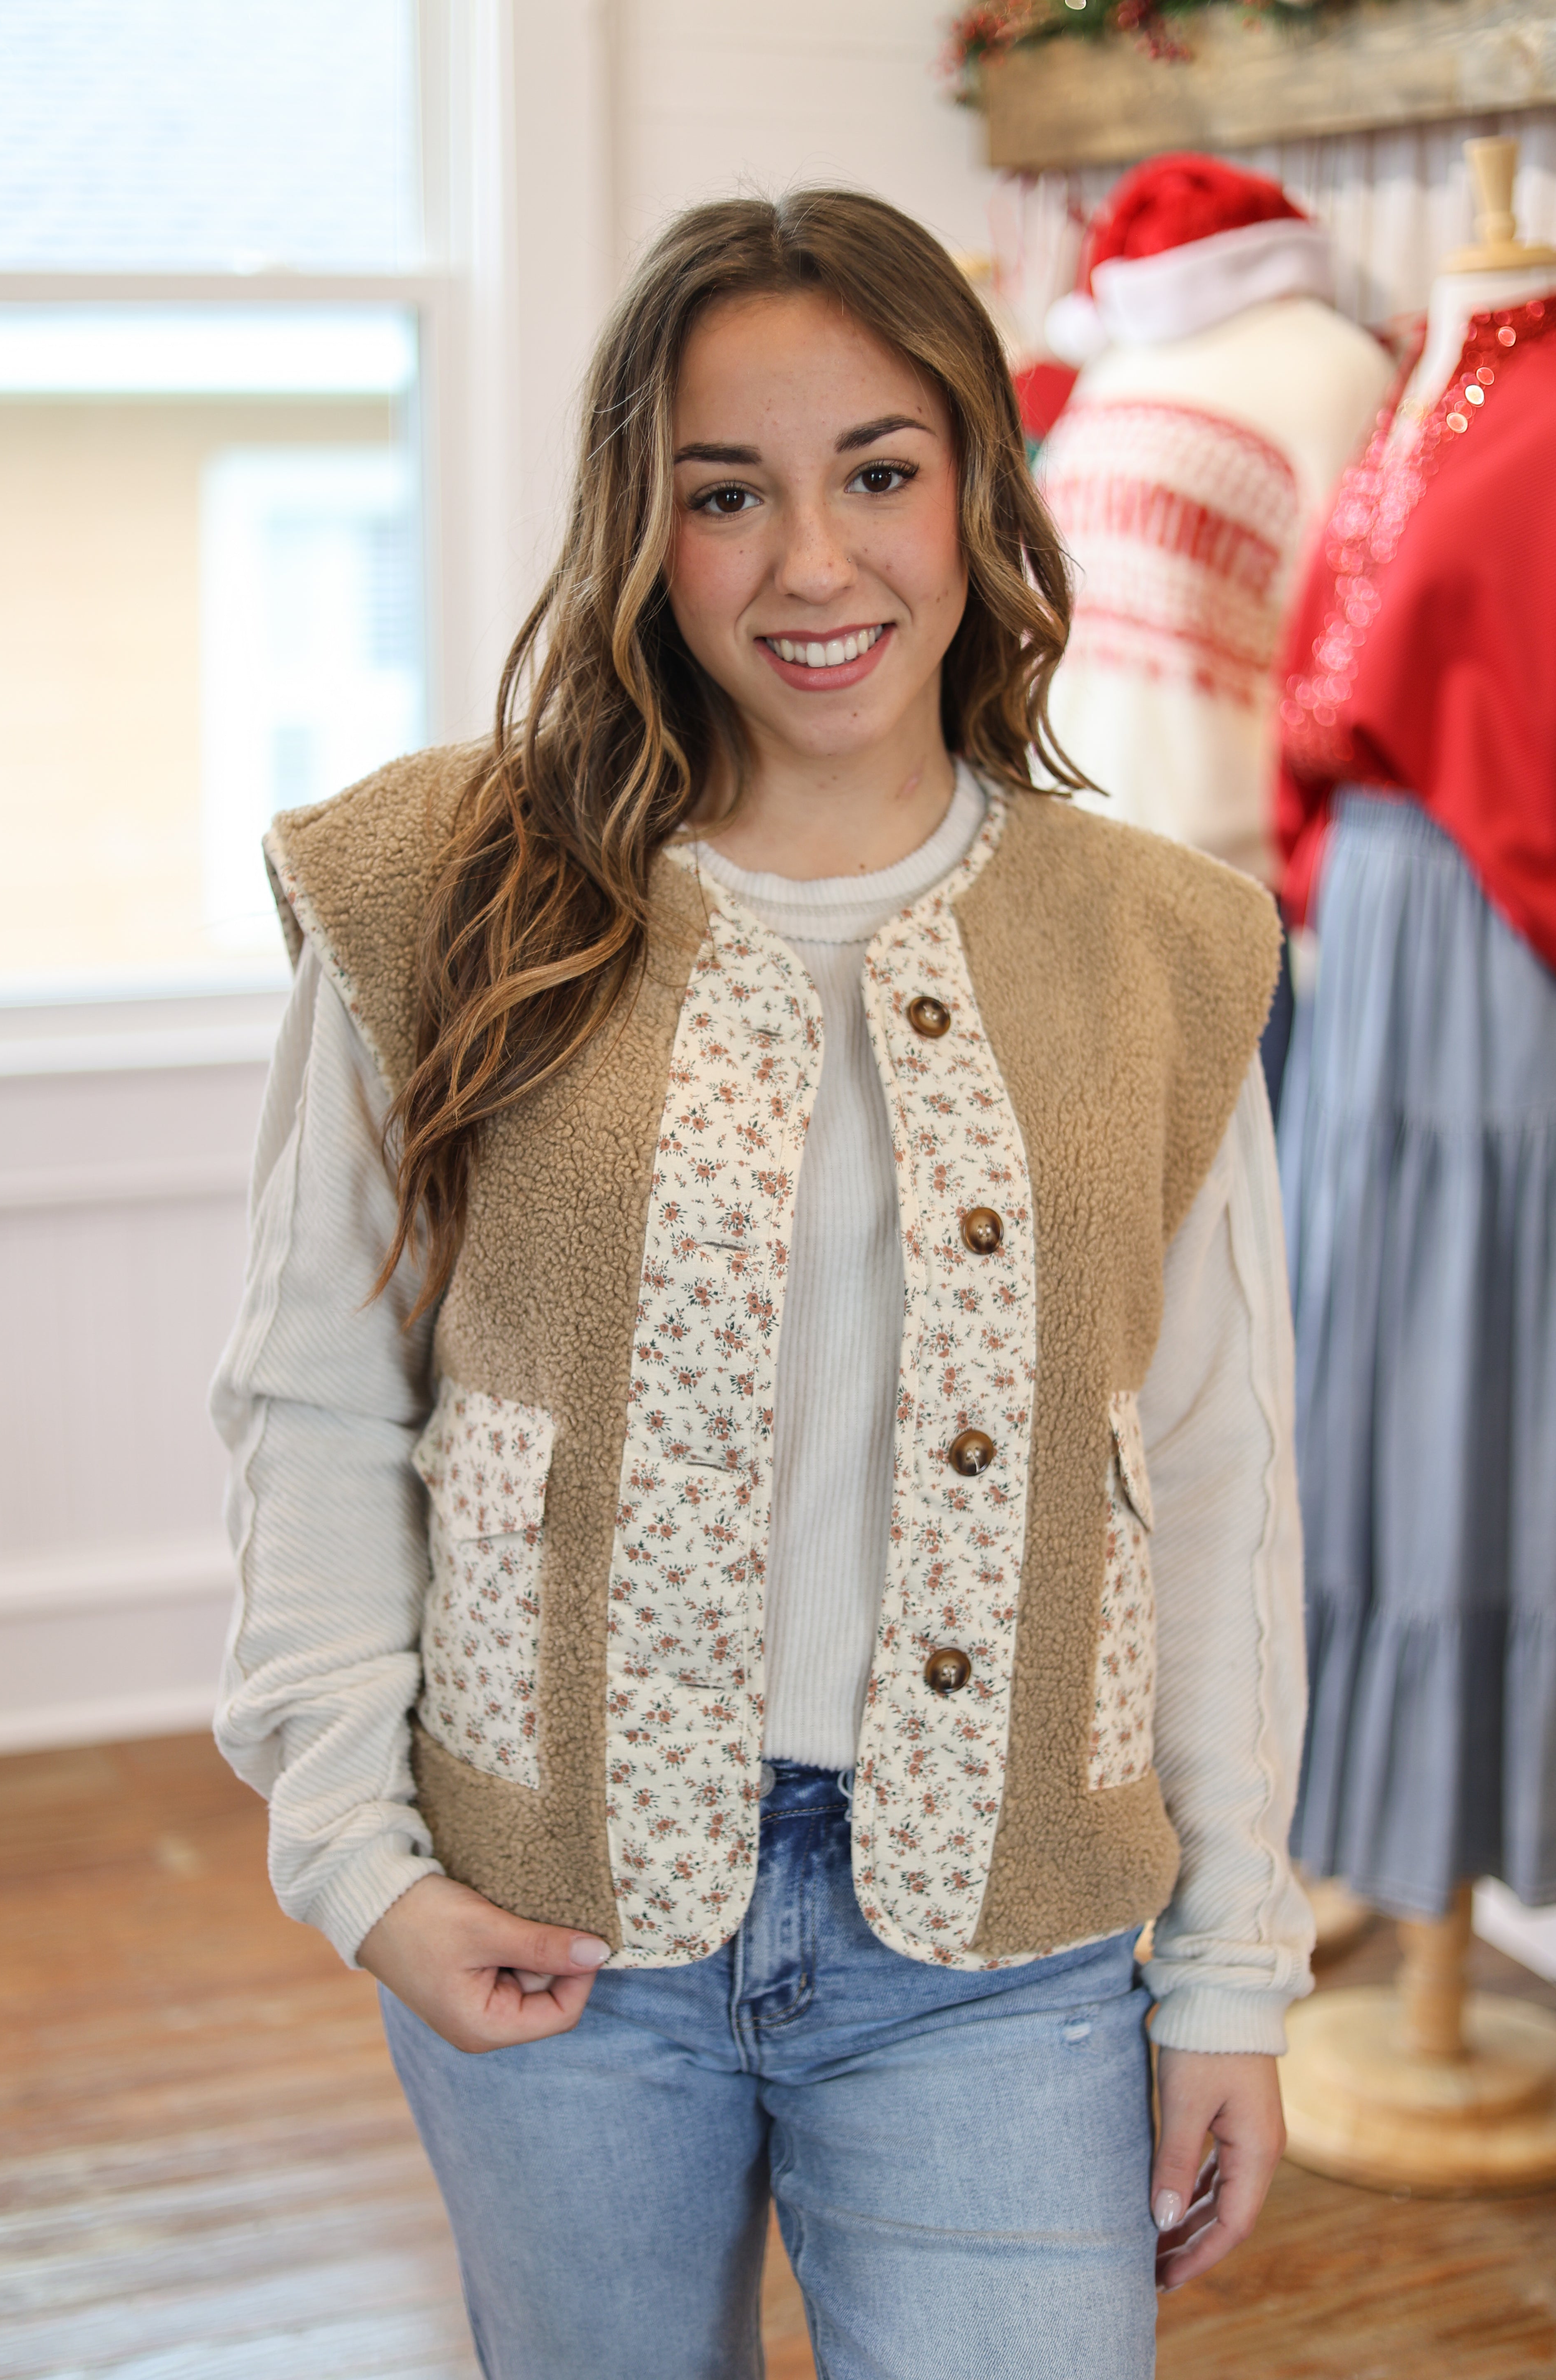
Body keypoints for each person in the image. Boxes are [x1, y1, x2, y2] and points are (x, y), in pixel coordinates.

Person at [212, 189, 1311, 2380]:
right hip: (549, 1921)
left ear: (980, 489)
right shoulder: (441, 890)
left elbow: (1214, 1485)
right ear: (643, 522)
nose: (815, 564)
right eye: (728, 494)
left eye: (879, 473)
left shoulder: (1163, 949)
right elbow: (320, 1402)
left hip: (1006, 1947)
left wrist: (1231, 1975)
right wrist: (359, 1861)